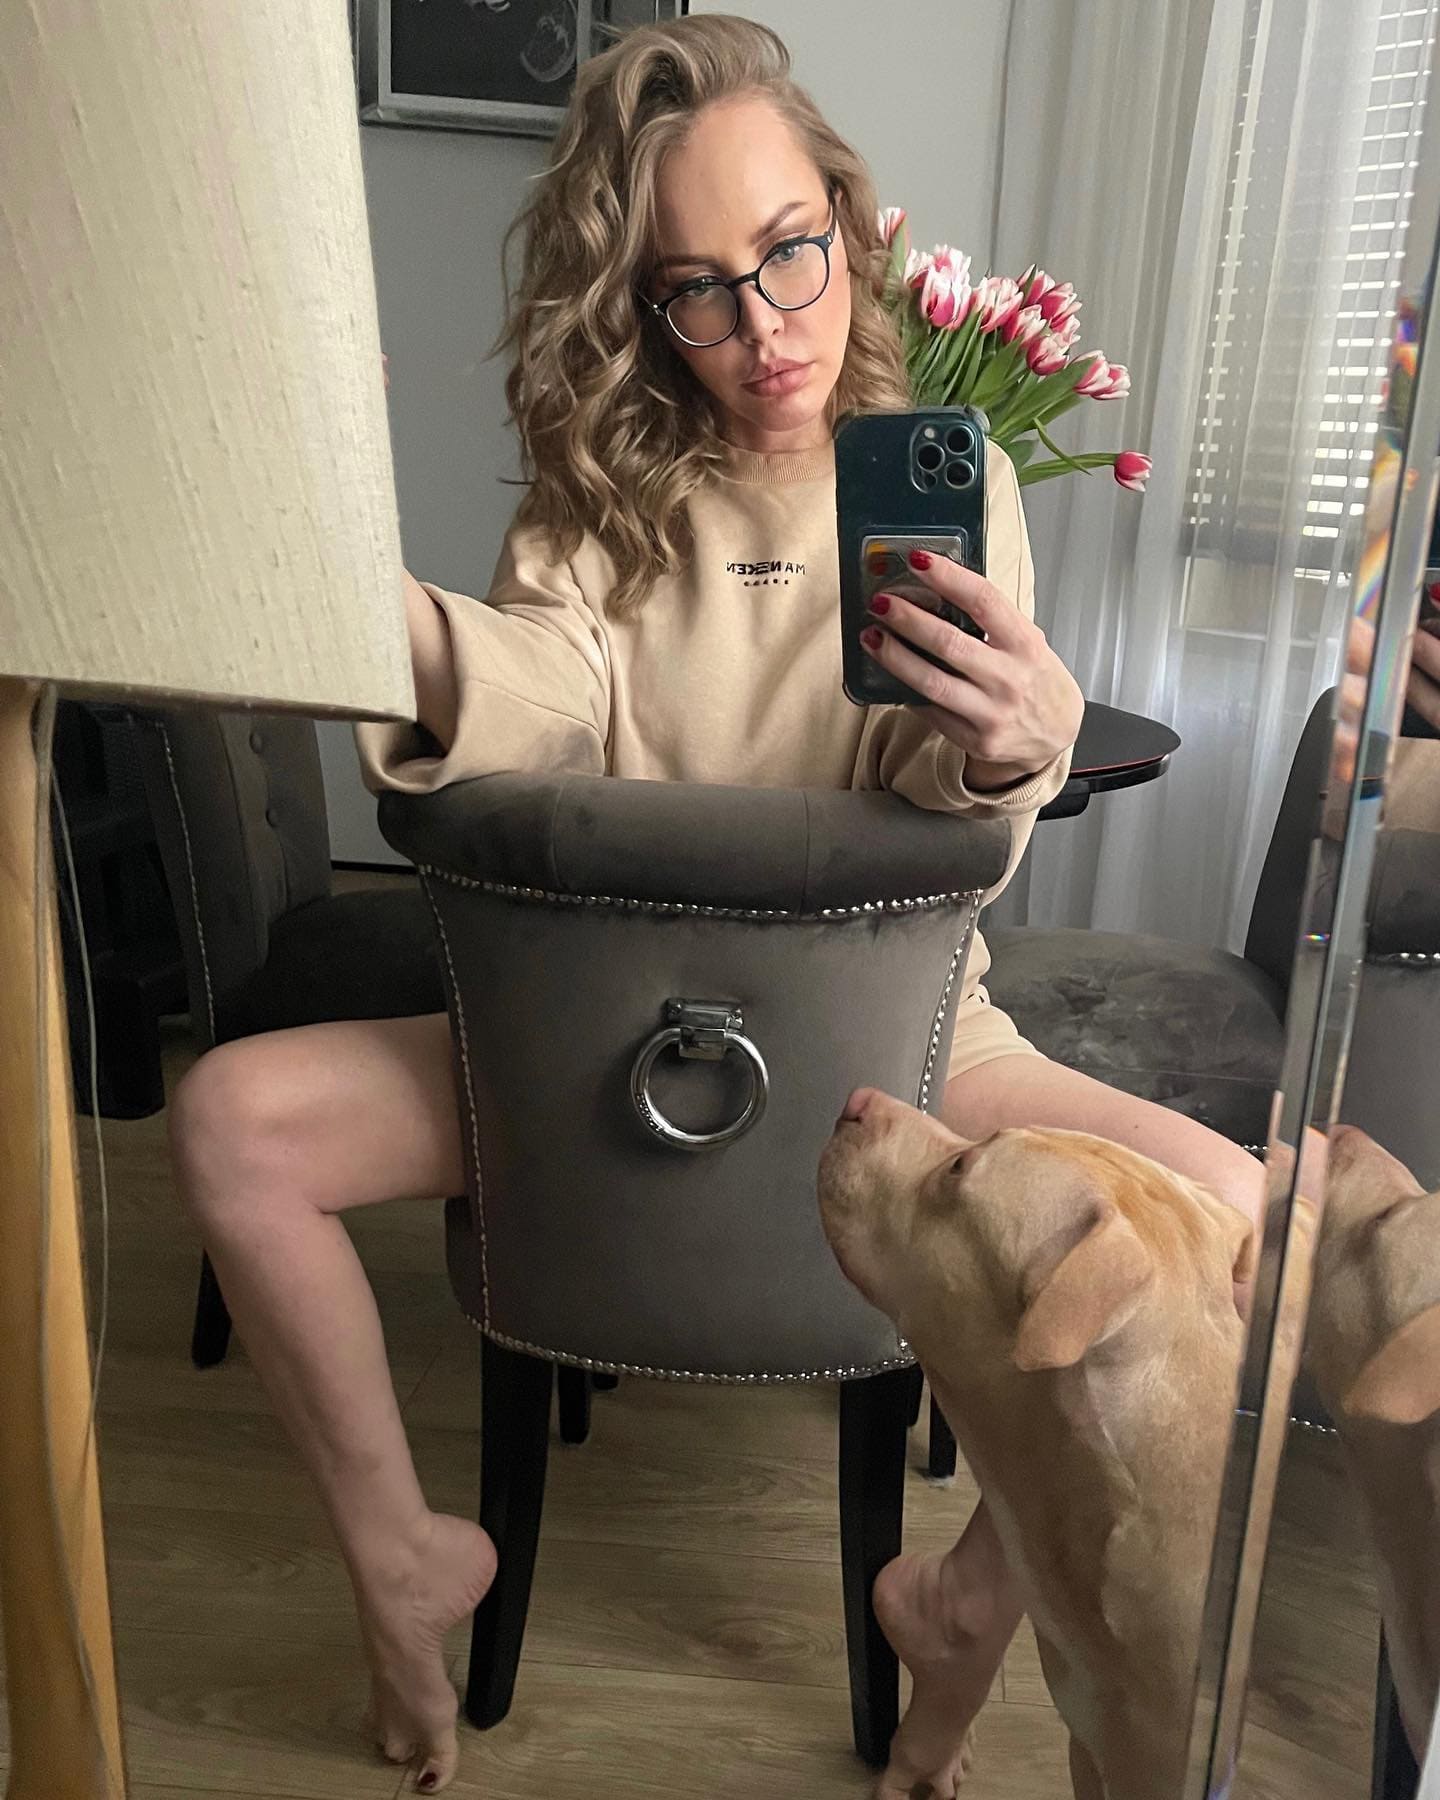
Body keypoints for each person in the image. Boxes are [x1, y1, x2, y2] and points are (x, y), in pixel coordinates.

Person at [168, 16, 1263, 1795]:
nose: (765, 326)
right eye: (697, 289)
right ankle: (399, 1561)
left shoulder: (947, 482)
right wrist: (362, 598)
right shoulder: (597, 507)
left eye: (789, 251)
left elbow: (928, 777)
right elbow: (539, 692)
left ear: (844, 219)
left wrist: (1016, 746)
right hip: (600, 1031)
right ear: (641, 307)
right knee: (230, 1121)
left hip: (907, 1032)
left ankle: (975, 1597)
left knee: (1242, 1216)